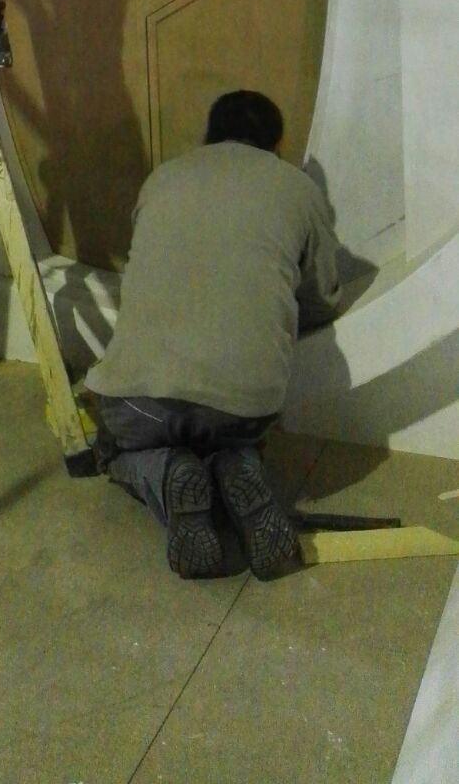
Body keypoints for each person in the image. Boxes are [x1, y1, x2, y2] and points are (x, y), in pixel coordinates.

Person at [85, 90, 343, 581]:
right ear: (276, 143)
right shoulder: (298, 187)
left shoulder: (163, 177)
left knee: (113, 449)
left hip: (139, 400)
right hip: (243, 407)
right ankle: (235, 463)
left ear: (209, 133)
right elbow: (324, 296)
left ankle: (167, 475)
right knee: (221, 427)